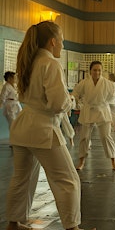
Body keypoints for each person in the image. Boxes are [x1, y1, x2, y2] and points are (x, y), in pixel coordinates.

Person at [5, 21, 85, 230]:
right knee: (68, 180)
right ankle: (72, 227)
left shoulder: (29, 61)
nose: (62, 44)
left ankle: (14, 223)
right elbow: (58, 103)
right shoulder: (50, 64)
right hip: (42, 128)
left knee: (21, 178)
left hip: (23, 125)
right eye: (61, 40)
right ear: (52, 41)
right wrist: (71, 100)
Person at [72, 61, 115, 170]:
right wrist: (74, 100)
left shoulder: (107, 83)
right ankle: (81, 161)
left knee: (106, 137)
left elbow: (111, 97)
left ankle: (113, 161)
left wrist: (102, 104)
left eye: (99, 70)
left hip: (102, 110)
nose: (97, 72)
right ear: (90, 71)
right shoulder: (84, 82)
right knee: (84, 137)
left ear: (102, 71)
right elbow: (76, 93)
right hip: (88, 110)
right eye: (95, 70)